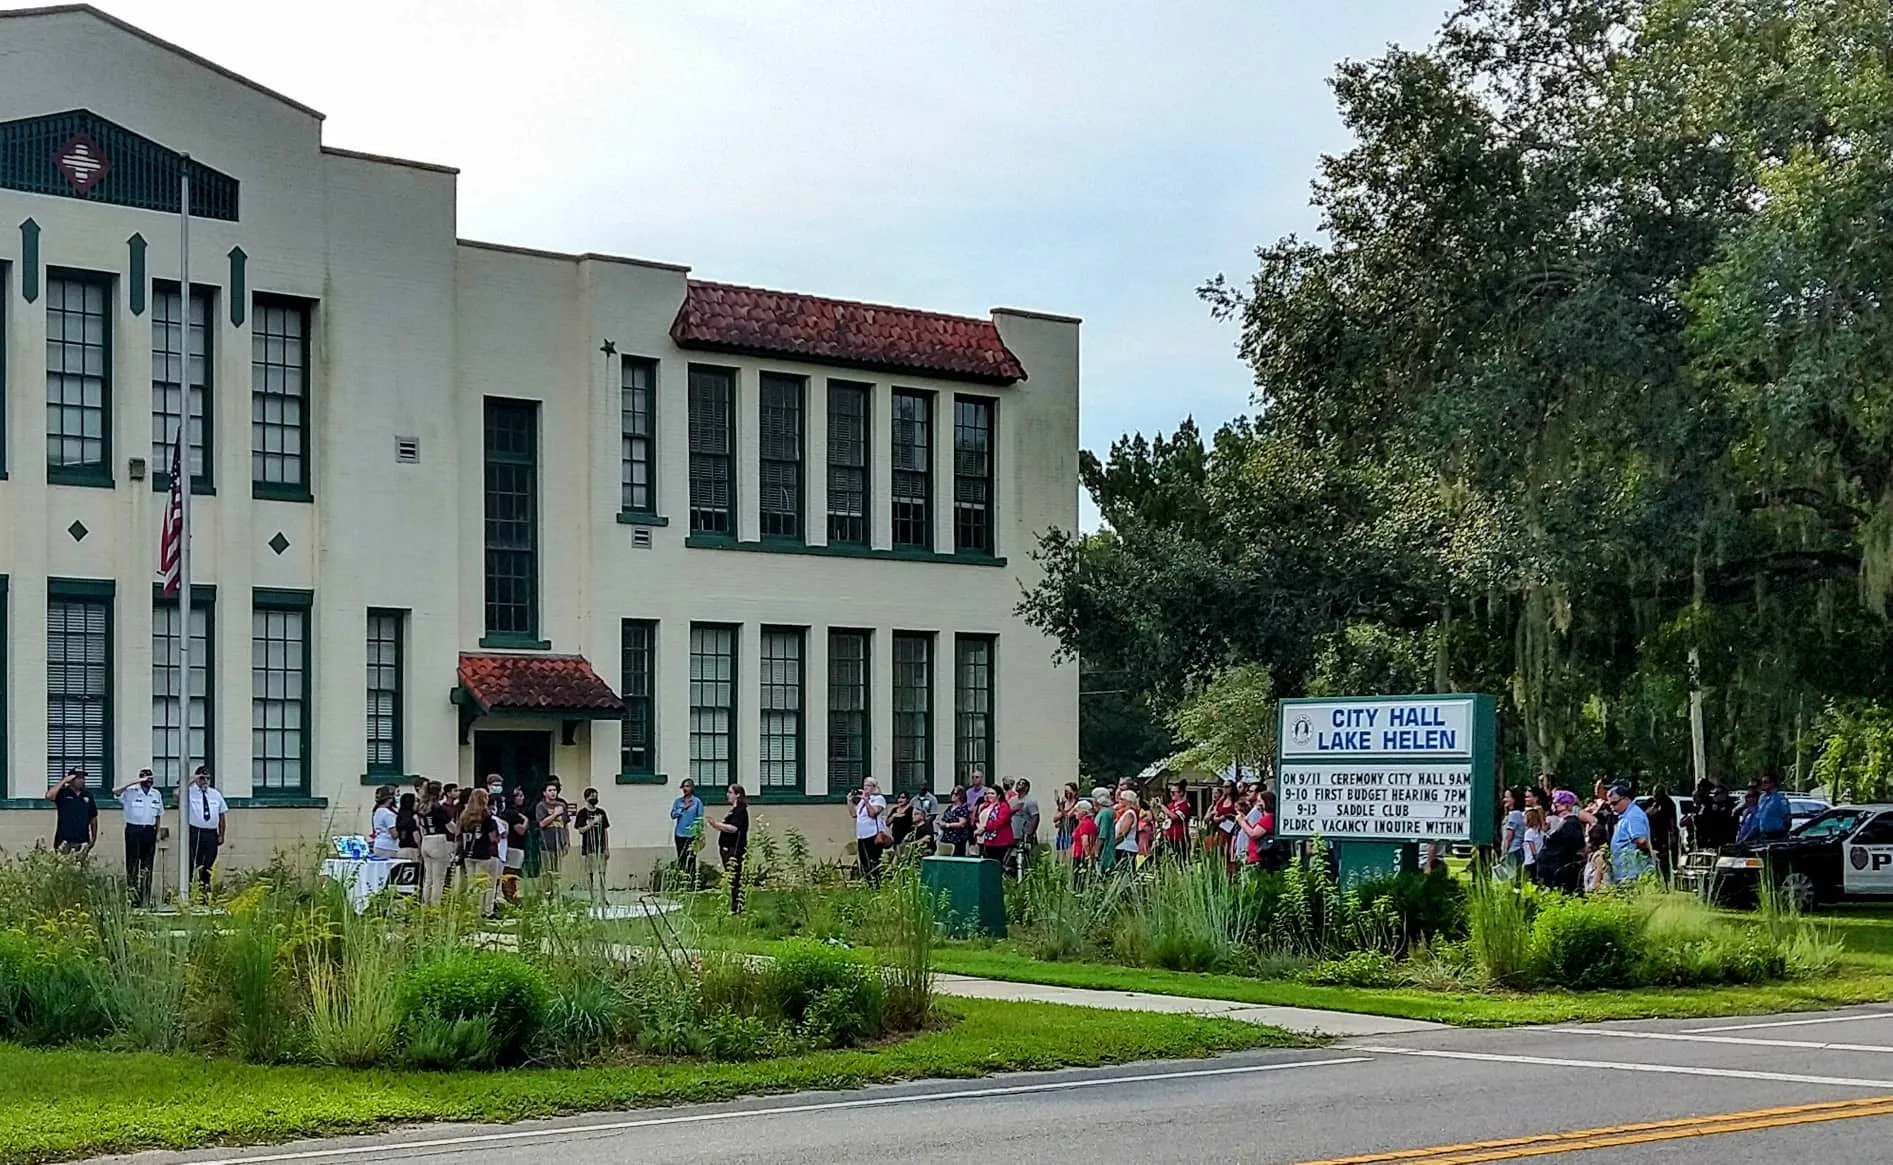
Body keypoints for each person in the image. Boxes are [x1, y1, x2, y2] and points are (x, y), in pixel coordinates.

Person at [115, 769, 165, 904]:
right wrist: (136, 782)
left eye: (151, 778)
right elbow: (116, 791)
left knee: (147, 865)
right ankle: (132, 897)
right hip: (134, 830)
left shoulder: (156, 794)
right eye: (146, 778)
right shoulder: (131, 792)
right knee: (133, 864)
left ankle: (145, 898)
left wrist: (157, 832)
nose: (149, 781)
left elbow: (158, 815)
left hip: (149, 831)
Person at [456, 788, 504, 916]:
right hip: (483, 853)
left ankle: (472, 910)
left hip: (468, 853)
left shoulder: (464, 816)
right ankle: (485, 910)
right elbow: (492, 838)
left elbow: (459, 834)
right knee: (483, 883)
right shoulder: (487, 817)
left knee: (472, 883)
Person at [709, 784, 751, 914]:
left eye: (730, 792)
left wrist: (717, 825)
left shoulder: (740, 811)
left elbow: (733, 828)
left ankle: (737, 906)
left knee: (735, 877)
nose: (728, 795)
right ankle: (735, 905)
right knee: (732, 877)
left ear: (738, 794)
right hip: (726, 847)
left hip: (734, 847)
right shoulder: (733, 810)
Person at [184, 766, 227, 891]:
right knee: (192, 864)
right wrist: (192, 780)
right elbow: (176, 794)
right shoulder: (189, 792)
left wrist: (221, 834)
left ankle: (204, 895)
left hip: (211, 833)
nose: (205, 781)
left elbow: (222, 815)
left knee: (208, 865)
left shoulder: (215, 794)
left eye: (207, 778)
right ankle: (190, 892)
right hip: (195, 832)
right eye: (202, 778)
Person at [1536, 790, 1586, 893]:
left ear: (1567, 805)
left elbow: (1573, 845)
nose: (1554, 805)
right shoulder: (1561, 822)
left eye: (1558, 803)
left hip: (1558, 869)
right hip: (1550, 868)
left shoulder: (1571, 823)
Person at [1606, 782, 1653, 883]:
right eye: (1609, 804)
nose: (1612, 807)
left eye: (1614, 803)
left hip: (1632, 873)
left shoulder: (1633, 815)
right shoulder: (1625, 815)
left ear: (1626, 799)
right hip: (1625, 873)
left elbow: (1641, 840)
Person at [46, 768, 98, 855]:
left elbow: (93, 818)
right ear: (71, 780)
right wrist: (63, 781)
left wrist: (93, 839)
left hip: (82, 840)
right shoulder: (63, 793)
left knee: (81, 866)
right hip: (63, 840)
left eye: (83, 778)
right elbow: (49, 796)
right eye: (79, 778)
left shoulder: (88, 795)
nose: (82, 781)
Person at [418, 781, 454, 904]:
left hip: (426, 839)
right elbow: (451, 828)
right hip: (438, 840)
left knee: (428, 878)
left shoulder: (422, 807)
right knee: (438, 878)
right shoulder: (439, 809)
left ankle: (425, 904)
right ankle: (435, 906)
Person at [575, 787, 611, 904]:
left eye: (596, 796)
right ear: (586, 798)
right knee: (590, 874)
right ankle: (591, 897)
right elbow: (581, 830)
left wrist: (606, 848)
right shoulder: (582, 813)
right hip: (588, 848)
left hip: (600, 848)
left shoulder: (601, 812)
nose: (594, 798)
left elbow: (605, 831)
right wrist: (593, 823)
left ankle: (603, 897)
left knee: (602, 874)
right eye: (592, 796)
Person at [1736, 772, 1792, 844]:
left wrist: (1783, 833)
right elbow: (1759, 816)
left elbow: (1787, 819)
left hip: (1776, 834)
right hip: (1762, 834)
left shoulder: (1780, 799)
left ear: (1773, 783)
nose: (1763, 784)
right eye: (1761, 782)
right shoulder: (1762, 798)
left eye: (1765, 782)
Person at [854, 779, 890, 885]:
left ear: (874, 787)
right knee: (864, 861)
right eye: (864, 785)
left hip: (873, 835)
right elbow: (854, 814)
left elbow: (873, 813)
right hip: (861, 835)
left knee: (873, 860)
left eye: (868, 786)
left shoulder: (878, 799)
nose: (865, 788)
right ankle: (869, 884)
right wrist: (849, 800)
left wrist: (866, 801)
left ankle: (877, 884)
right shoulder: (862, 800)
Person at [499, 788, 529, 903]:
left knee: (512, 874)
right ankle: (510, 896)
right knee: (510, 873)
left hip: (515, 846)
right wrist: (525, 820)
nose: (522, 798)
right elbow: (520, 830)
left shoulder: (514, 812)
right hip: (513, 846)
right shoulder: (512, 813)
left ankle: (511, 895)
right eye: (519, 796)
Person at [670, 779, 703, 879]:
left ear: (692, 788)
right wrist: (683, 808)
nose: (685, 789)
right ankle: (681, 880)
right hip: (680, 833)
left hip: (692, 834)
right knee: (681, 858)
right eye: (684, 786)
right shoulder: (678, 802)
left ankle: (691, 881)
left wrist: (700, 834)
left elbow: (700, 818)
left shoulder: (697, 802)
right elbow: (673, 815)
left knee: (691, 858)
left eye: (687, 786)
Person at [1645, 783, 1679, 878]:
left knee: (1664, 858)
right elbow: (1645, 814)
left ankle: (1666, 876)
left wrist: (1673, 834)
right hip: (1652, 833)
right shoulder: (1650, 802)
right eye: (1654, 793)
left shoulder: (1668, 803)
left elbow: (1672, 819)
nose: (1655, 795)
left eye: (1657, 793)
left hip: (1664, 834)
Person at [535, 781, 569, 875]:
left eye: (554, 790)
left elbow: (565, 824)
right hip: (546, 844)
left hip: (559, 844)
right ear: (544, 793)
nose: (553, 792)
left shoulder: (562, 805)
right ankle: (547, 889)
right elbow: (542, 824)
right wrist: (555, 814)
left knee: (557, 872)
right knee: (547, 872)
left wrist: (567, 841)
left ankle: (556, 889)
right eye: (550, 790)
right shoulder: (541, 806)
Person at [980, 785, 1016, 873]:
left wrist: (984, 828)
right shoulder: (986, 806)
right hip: (988, 840)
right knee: (988, 864)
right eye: (988, 793)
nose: (989, 795)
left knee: (997, 864)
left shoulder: (1004, 806)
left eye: (992, 793)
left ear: (999, 795)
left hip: (1001, 841)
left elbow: (1000, 821)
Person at [1012, 779, 1041, 872]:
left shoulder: (1030, 801)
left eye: (1022, 784)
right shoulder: (1012, 800)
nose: (1019, 785)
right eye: (1018, 783)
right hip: (1013, 835)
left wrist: (1029, 833)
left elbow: (1035, 817)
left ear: (1027, 787)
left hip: (1024, 835)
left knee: (1027, 860)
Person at [1499, 788, 1527, 876]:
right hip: (1519, 849)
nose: (1504, 800)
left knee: (1511, 876)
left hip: (1513, 850)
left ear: (1514, 799)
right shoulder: (1521, 814)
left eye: (1507, 797)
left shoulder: (1514, 815)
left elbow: (1509, 836)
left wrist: (1503, 853)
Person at [1112, 790, 1141, 872]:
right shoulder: (1125, 812)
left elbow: (1123, 833)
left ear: (1127, 801)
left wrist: (1113, 844)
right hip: (1122, 847)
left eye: (1121, 799)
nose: (1119, 801)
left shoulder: (1129, 814)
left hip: (1125, 847)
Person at [938, 787, 971, 857]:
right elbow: (944, 818)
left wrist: (948, 825)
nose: (953, 796)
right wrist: (941, 823)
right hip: (946, 837)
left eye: (955, 794)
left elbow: (962, 824)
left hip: (957, 838)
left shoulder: (962, 809)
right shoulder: (949, 808)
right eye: (952, 793)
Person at [1163, 780, 1192, 861]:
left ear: (1181, 793)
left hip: (1180, 837)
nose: (1171, 794)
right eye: (1170, 792)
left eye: (1174, 792)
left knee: (1180, 860)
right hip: (1169, 836)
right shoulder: (1170, 805)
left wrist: (1162, 807)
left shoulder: (1185, 805)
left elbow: (1175, 817)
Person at [369, 785, 400, 857]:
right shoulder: (388, 814)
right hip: (388, 847)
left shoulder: (378, 811)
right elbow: (394, 834)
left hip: (379, 844)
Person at [393, 793, 422, 862]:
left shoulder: (399, 816)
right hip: (412, 850)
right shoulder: (412, 818)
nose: (417, 804)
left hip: (401, 849)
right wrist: (420, 849)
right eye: (415, 801)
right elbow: (416, 837)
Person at [1071, 799, 1099, 867]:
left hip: (1080, 855)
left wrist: (1087, 857)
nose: (1075, 813)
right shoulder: (1091, 822)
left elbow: (1085, 842)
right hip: (1084, 854)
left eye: (1077, 811)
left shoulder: (1084, 824)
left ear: (1083, 812)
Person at [1521, 805, 1545, 878]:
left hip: (1529, 861)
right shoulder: (1541, 833)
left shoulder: (1529, 833)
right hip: (1540, 860)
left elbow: (1532, 848)